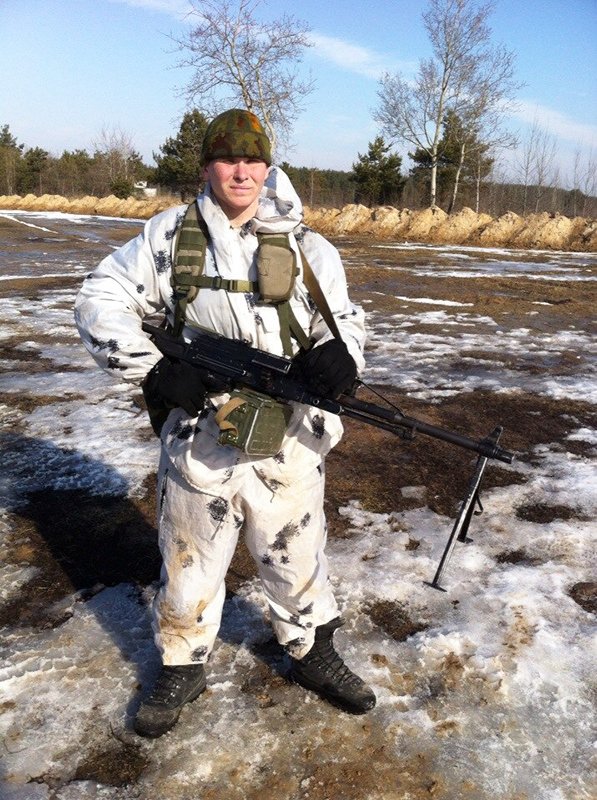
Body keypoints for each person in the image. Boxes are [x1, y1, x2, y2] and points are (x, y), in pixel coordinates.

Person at [74, 108, 375, 738]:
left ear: (267, 166)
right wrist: (156, 371)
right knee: (189, 559)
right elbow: (100, 298)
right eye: (227, 158)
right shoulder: (168, 238)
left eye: (253, 159)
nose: (241, 171)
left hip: (288, 436)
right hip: (201, 436)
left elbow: (343, 318)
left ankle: (311, 649)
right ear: (208, 166)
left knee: (296, 554)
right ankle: (182, 665)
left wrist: (342, 354)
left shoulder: (307, 246)